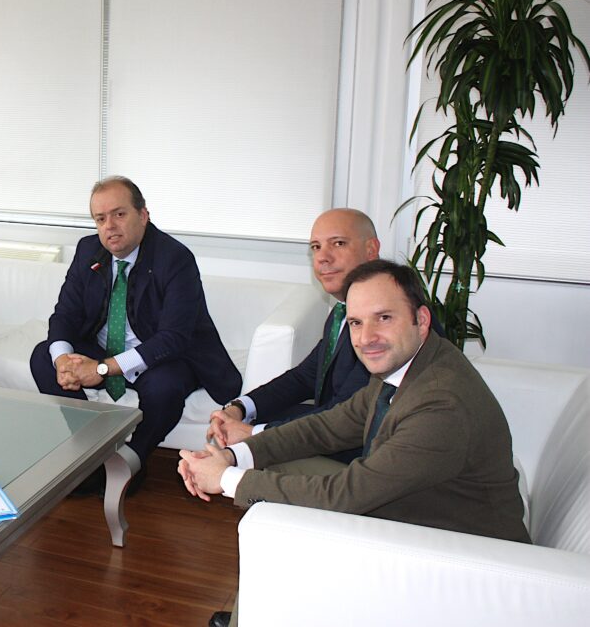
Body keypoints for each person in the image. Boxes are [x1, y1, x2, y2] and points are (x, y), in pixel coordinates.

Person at [179, 259, 529, 627]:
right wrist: (235, 455)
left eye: (384, 318)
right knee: (276, 475)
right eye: (357, 323)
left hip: (463, 559)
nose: (365, 338)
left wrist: (224, 479)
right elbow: (328, 427)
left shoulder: (441, 405)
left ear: (421, 319)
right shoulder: (410, 363)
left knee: (282, 511)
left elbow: (345, 496)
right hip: (419, 511)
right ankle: (257, 611)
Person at [30, 176, 242, 491]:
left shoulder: (174, 258)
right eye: (100, 219)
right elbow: (65, 314)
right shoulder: (88, 250)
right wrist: (63, 360)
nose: (110, 226)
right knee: (44, 355)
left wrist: (103, 369)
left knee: (164, 387)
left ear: (143, 215)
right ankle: (91, 449)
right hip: (104, 348)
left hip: (162, 355)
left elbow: (173, 337)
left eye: (119, 214)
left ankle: (132, 459)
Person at [207, 208, 380, 461]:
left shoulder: (381, 321)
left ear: (371, 249)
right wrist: (240, 408)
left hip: (367, 452)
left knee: (241, 453)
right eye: (316, 247)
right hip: (336, 429)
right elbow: (304, 377)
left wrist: (253, 433)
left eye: (338, 243)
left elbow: (345, 418)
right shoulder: (342, 311)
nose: (323, 258)